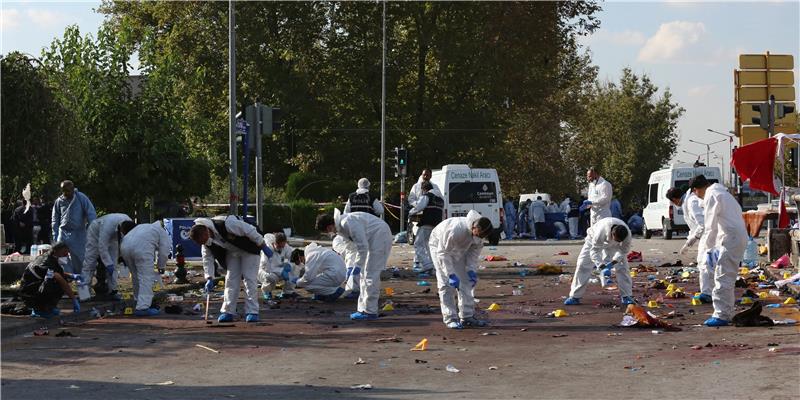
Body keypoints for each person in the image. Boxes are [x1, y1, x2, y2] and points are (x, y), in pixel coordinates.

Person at [189, 215, 273, 323]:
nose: (204, 243)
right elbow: (207, 259)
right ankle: (228, 311)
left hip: (250, 248)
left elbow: (249, 230)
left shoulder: (227, 224)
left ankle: (252, 311)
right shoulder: (206, 242)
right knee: (231, 279)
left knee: (249, 278)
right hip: (233, 251)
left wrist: (262, 244)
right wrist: (209, 277)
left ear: (206, 232)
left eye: (203, 240)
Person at [689, 175, 747, 327]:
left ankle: (722, 314)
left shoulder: (711, 195)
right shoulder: (724, 193)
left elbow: (710, 227)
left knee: (722, 276)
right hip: (735, 237)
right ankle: (725, 311)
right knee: (726, 276)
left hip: (730, 239)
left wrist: (707, 250)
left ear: (696, 190)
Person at [316, 209, 392, 321]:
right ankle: (363, 309)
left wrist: (357, 265)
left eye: (327, 231)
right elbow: (352, 248)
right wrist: (353, 265)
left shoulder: (347, 222)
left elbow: (362, 246)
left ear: (329, 227)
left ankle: (370, 311)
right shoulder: (341, 228)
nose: (329, 233)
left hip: (379, 237)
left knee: (370, 274)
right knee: (363, 275)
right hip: (373, 239)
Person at [429, 210, 493, 329]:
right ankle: (450, 318)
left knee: (466, 281)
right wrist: (450, 274)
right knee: (445, 282)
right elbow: (443, 253)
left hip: (459, 247)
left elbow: (473, 255)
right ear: (474, 227)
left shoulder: (479, 235)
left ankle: (467, 316)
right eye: (478, 234)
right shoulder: (456, 230)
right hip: (438, 245)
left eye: (481, 237)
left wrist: (471, 270)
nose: (479, 238)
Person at [564, 217, 635, 306]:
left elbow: (623, 251)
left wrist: (613, 263)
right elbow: (594, 252)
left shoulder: (627, 235)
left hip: (614, 245)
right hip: (593, 241)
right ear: (612, 234)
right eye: (617, 239)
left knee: (622, 267)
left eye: (620, 241)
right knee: (582, 264)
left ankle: (627, 296)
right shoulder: (600, 232)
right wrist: (601, 266)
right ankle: (575, 296)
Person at [666, 187, 711, 304]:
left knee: (704, 264)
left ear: (675, 199)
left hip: (708, 236)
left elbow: (702, 224)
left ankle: (707, 293)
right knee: (706, 264)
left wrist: (693, 240)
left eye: (672, 201)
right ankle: (709, 292)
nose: (674, 204)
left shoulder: (691, 202)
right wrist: (688, 242)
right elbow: (694, 226)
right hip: (706, 236)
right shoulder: (688, 202)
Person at [120, 222, 171, 316]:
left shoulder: (143, 227)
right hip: (141, 249)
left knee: (135, 276)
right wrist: (161, 266)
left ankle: (137, 301)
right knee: (146, 278)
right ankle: (143, 307)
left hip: (124, 247)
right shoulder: (161, 232)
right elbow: (164, 251)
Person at [19, 241, 81, 318]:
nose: (66, 256)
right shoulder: (46, 261)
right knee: (56, 283)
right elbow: (58, 277)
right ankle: (41, 308)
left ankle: (47, 307)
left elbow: (55, 272)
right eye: (64, 253)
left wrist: (72, 276)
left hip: (35, 288)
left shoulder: (51, 257)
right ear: (56, 251)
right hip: (30, 294)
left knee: (56, 279)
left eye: (67, 253)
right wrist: (74, 299)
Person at [82, 214, 135, 301]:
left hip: (113, 238)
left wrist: (123, 257)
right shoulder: (108, 226)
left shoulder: (129, 223)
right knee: (89, 264)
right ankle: (83, 295)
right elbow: (102, 247)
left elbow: (125, 242)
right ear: (121, 229)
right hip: (95, 234)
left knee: (114, 265)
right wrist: (108, 263)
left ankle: (112, 291)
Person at [51, 180, 96, 274]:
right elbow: (55, 220)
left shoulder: (81, 198)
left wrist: (91, 230)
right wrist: (55, 237)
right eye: (65, 191)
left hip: (78, 234)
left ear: (73, 189)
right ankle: (67, 277)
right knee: (62, 259)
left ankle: (82, 277)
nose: (67, 193)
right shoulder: (59, 201)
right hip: (63, 233)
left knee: (80, 257)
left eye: (69, 190)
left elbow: (91, 214)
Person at [407, 181, 444, 274]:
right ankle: (434, 266)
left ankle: (427, 265)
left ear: (424, 189)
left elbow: (419, 206)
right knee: (430, 246)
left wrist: (410, 212)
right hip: (437, 225)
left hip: (427, 223)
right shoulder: (441, 199)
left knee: (418, 244)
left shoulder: (427, 196)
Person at [257, 232, 297, 301]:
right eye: (279, 246)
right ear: (274, 243)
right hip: (263, 272)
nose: (281, 248)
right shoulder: (267, 248)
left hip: (279, 270)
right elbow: (265, 267)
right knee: (271, 277)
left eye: (283, 246)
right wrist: (280, 271)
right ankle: (267, 291)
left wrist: (289, 264)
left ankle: (287, 292)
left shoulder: (285, 246)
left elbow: (292, 256)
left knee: (295, 268)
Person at [332, 234, 360, 298]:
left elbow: (342, 251)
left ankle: (354, 291)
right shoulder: (338, 239)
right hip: (353, 253)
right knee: (354, 273)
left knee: (352, 273)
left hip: (353, 253)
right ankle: (354, 290)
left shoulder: (337, 240)